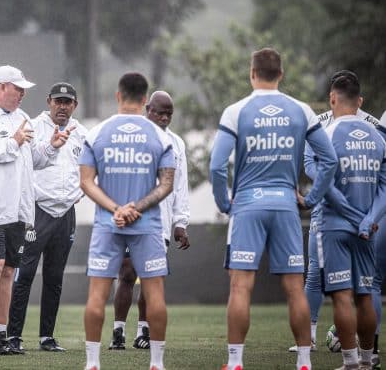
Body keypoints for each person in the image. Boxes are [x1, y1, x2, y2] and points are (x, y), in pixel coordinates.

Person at [210, 48, 338, 370]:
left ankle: (235, 362)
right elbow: (329, 161)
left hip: (247, 206)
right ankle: (305, 362)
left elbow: (216, 167)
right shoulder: (302, 110)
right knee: (295, 289)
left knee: (241, 287)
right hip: (285, 206)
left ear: (252, 73)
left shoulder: (235, 111)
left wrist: (225, 204)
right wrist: (310, 199)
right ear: (281, 74)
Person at [0, 65, 71, 355]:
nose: (22, 94)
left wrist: (51, 147)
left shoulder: (21, 117)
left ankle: (2, 334)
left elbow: (32, 159)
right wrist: (13, 141)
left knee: (9, 270)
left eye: (24, 89)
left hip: (17, 210)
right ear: (1, 86)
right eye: (18, 88)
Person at [80, 72, 176, 370]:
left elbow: (86, 182)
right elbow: (167, 184)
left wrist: (116, 209)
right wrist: (136, 208)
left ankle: (92, 363)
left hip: (108, 225)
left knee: (97, 295)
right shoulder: (161, 137)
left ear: (118, 96)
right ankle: (156, 363)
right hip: (147, 226)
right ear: (145, 99)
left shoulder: (96, 133)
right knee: (155, 295)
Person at [288, 70, 385, 355]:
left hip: (336, 215)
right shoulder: (325, 124)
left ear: (332, 97)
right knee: (330, 278)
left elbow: (318, 168)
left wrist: (315, 194)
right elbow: (310, 162)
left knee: (347, 290)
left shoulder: (371, 126)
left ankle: (358, 356)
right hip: (367, 217)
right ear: (358, 98)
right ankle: (322, 341)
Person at [6, 82, 86, 353]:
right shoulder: (33, 126)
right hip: (37, 210)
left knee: (54, 276)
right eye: (58, 101)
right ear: (49, 101)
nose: (62, 107)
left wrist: (79, 193)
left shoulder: (82, 134)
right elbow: (23, 165)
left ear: (75, 105)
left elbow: (87, 171)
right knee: (25, 273)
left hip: (66, 212)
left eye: (68, 102)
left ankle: (46, 337)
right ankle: (13, 335)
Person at [109, 91, 191, 351]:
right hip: (131, 218)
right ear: (148, 110)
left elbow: (180, 185)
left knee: (150, 277)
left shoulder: (176, 144)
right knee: (127, 273)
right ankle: (118, 331)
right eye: (160, 113)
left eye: (169, 114)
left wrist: (181, 222)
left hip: (160, 222)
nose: (165, 118)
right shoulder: (130, 137)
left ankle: (143, 331)